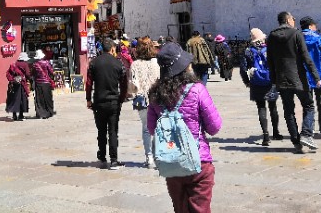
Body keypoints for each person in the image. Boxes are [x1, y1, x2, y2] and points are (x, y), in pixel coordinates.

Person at [148, 42, 222, 212]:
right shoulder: (197, 90)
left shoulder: (155, 94)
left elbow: (152, 129)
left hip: (171, 162)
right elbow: (214, 127)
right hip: (199, 161)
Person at [266, 12, 321, 153]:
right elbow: (305, 56)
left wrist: (274, 81)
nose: (294, 21)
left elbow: (270, 61)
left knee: (288, 110)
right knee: (308, 105)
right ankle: (306, 134)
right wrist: (316, 75)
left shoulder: (271, 36)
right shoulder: (296, 33)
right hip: (298, 78)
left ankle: (296, 142)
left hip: (281, 79)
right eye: (293, 19)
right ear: (288, 20)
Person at [86, 38, 128, 169]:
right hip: (114, 101)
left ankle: (102, 156)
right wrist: (121, 98)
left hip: (99, 101)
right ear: (112, 48)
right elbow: (124, 83)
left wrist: (88, 99)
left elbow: (88, 83)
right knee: (113, 130)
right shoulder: (118, 63)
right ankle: (114, 159)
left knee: (101, 130)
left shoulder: (93, 63)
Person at [239, 28, 283, 146]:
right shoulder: (269, 49)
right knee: (273, 107)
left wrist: (247, 81)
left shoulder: (248, 51)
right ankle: (276, 132)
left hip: (256, 82)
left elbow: (243, 69)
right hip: (270, 81)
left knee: (261, 108)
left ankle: (265, 136)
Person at [129, 36, 161, 168]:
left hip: (142, 100)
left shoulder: (135, 64)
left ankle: (149, 158)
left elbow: (132, 85)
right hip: (157, 99)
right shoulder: (157, 62)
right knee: (159, 128)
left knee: (146, 129)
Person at [5, 52, 31, 121]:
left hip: (14, 84)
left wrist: (13, 80)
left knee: (14, 99)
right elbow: (28, 74)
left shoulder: (14, 64)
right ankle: (21, 115)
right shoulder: (25, 64)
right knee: (22, 99)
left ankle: (14, 115)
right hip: (21, 84)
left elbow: (8, 74)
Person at [32, 49, 56, 119]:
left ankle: (41, 113)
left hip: (38, 83)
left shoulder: (35, 64)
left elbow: (32, 74)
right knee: (48, 98)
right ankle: (49, 112)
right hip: (46, 83)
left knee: (39, 99)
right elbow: (51, 71)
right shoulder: (46, 63)